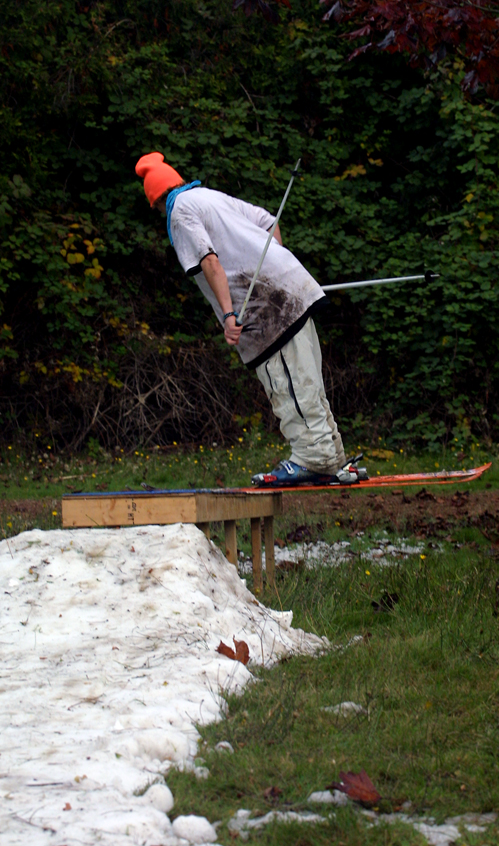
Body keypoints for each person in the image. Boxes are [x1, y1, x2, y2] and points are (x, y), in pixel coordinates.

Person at [135, 152, 364, 487]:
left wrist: (229, 314)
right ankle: (331, 457)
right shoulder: (209, 196)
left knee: (287, 383)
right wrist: (278, 267)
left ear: (156, 200)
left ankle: (314, 458)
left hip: (265, 309)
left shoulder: (180, 213)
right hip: (291, 293)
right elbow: (270, 223)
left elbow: (209, 260)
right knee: (307, 383)